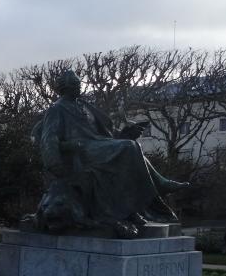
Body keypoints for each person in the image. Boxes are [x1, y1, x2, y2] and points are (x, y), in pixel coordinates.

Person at [35, 69, 189, 237]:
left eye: (79, 84)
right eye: (75, 84)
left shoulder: (85, 106)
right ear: (64, 87)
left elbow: (105, 132)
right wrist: (54, 163)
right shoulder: (57, 109)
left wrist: (126, 133)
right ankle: (159, 185)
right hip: (82, 150)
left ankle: (132, 208)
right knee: (128, 148)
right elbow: (49, 138)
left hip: (98, 145)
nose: (79, 87)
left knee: (131, 147)